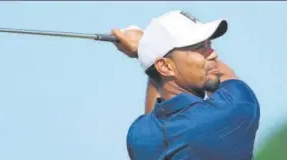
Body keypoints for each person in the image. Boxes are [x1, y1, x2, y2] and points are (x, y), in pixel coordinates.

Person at [111, 10, 260, 160]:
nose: (213, 54)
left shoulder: (138, 136)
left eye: (210, 44)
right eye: (199, 47)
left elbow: (158, 93)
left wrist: (146, 51)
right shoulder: (234, 107)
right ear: (165, 67)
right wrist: (142, 49)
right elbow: (225, 76)